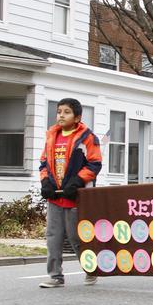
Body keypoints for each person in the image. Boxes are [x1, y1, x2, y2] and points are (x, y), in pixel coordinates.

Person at [38, 98, 103, 288]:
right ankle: (55, 276)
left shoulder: (87, 137)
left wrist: (78, 181)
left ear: (77, 117)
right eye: (59, 112)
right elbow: (44, 163)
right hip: (56, 197)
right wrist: (45, 181)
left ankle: (91, 270)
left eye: (66, 112)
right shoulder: (52, 136)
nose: (61, 115)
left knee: (76, 237)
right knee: (53, 237)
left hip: (75, 196)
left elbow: (94, 163)